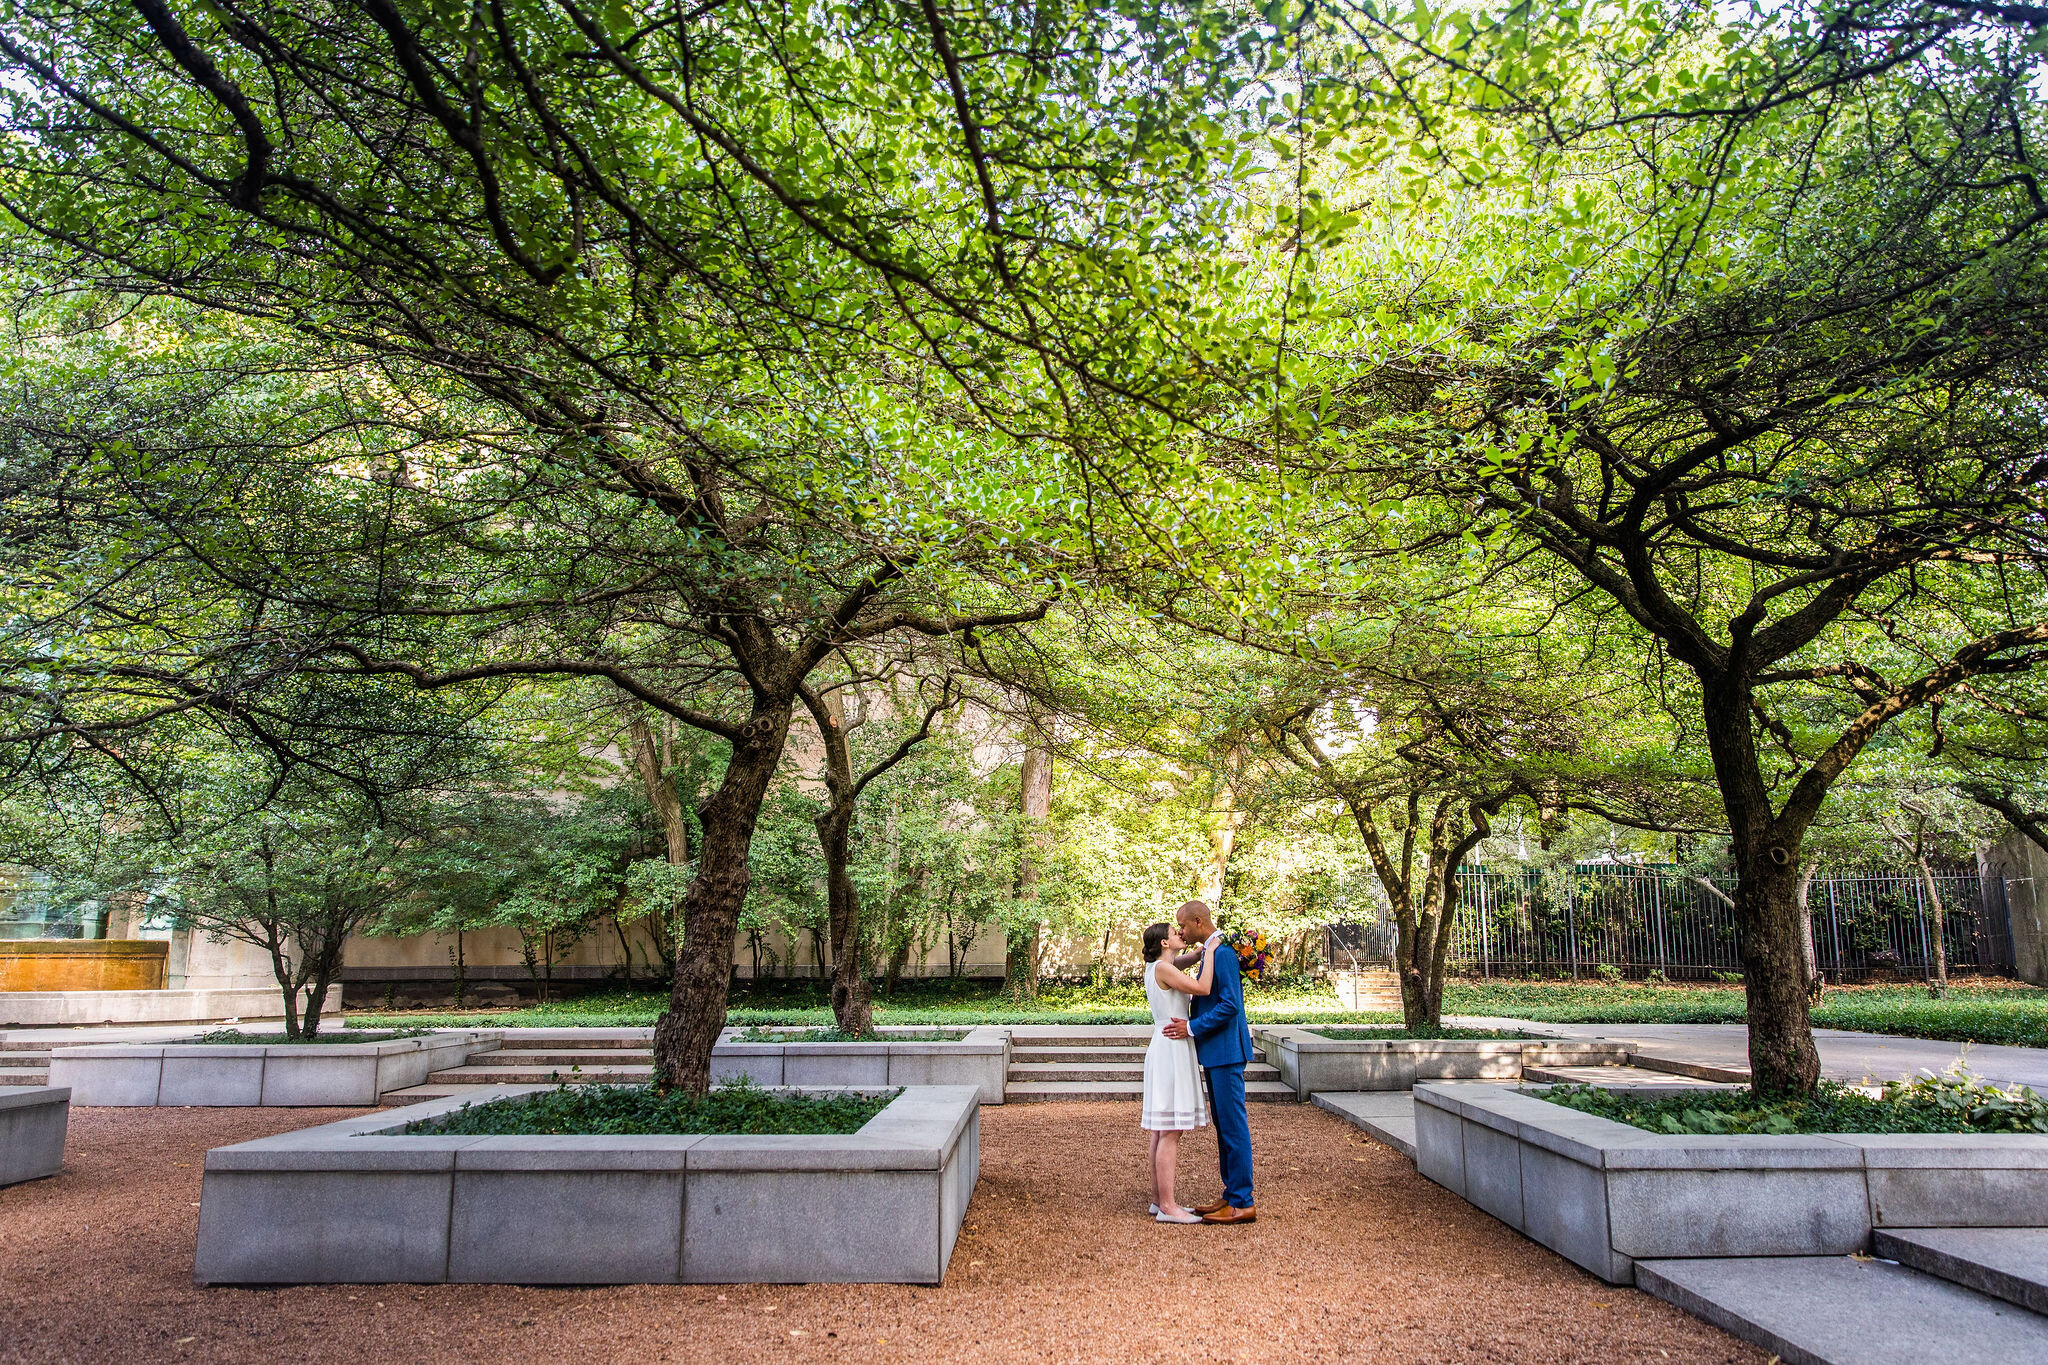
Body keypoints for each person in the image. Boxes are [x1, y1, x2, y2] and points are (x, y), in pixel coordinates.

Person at [1161, 898, 1257, 1224]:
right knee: (1224, 1127)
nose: (1182, 932)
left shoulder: (1225, 954)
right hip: (1216, 1053)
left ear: (1199, 922)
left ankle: (1243, 1201)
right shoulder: (1211, 951)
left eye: (1184, 926)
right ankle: (1231, 1195)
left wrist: (1190, 1027)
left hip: (1227, 1052)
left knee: (1233, 1128)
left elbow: (1230, 1005)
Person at [1139, 920, 1218, 1223]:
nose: (1180, 935)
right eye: (1175, 934)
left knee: (1162, 1129)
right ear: (1163, 943)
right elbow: (1203, 987)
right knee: (1171, 1129)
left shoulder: (1161, 966)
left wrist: (1199, 952)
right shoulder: (1164, 969)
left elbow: (1184, 960)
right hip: (1171, 1047)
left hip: (1166, 1043)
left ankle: (1160, 1201)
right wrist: (1211, 949)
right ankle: (1169, 1206)